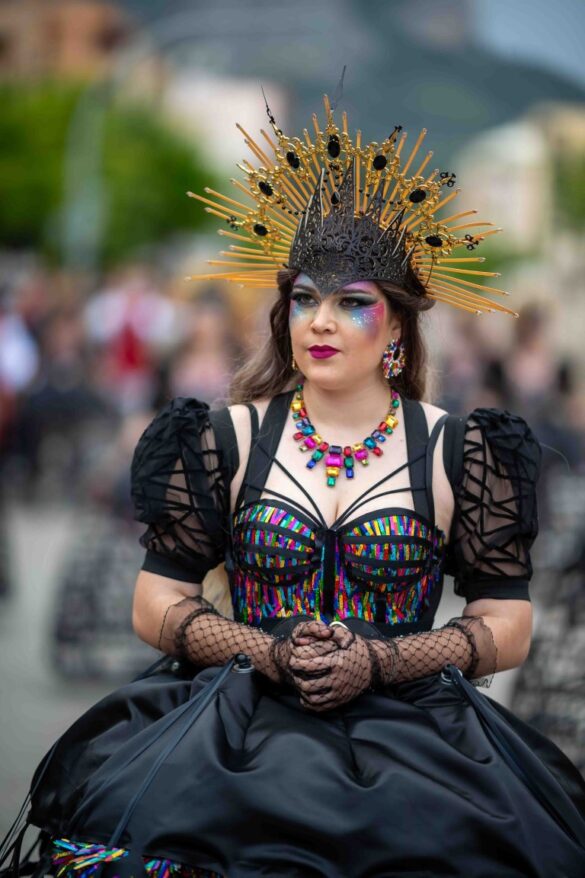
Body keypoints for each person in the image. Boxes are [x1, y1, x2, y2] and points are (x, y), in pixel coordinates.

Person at [4, 95, 585, 878]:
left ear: (398, 327)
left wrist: (380, 662)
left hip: (417, 745)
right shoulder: (225, 437)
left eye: (352, 304)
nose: (320, 321)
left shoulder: (461, 450)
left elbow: (506, 623)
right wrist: (266, 651)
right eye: (305, 299)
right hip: (229, 733)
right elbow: (155, 603)